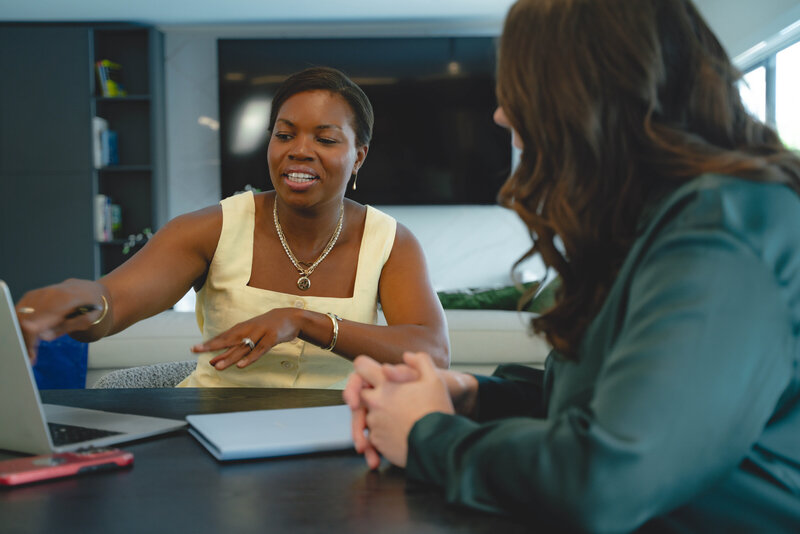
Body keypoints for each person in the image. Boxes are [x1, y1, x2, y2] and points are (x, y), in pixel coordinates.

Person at [343, 0, 800, 531]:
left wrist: (429, 435)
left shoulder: (725, 229)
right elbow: (619, 399)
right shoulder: (661, 219)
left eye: (519, 84)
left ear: (586, 93)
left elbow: (608, 477)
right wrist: (472, 397)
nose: (500, 114)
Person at [16, 66, 449, 389]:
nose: (299, 151)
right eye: (284, 135)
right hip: (213, 434)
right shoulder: (212, 228)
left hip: (344, 436)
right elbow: (114, 302)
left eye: (325, 139)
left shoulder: (391, 242)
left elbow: (432, 353)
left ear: (358, 157)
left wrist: (304, 321)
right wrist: (82, 298)